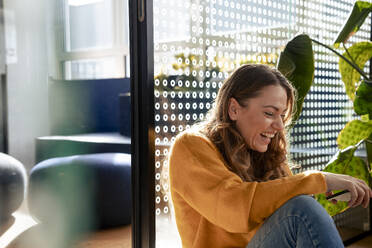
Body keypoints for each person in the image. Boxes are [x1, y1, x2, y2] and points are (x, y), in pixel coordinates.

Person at [168, 64, 372, 248]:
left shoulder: (267, 154)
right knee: (300, 210)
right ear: (233, 109)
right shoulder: (191, 146)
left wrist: (325, 193)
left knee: (303, 206)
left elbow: (285, 213)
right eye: (269, 113)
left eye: (282, 116)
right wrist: (319, 180)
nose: (279, 126)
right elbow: (235, 208)